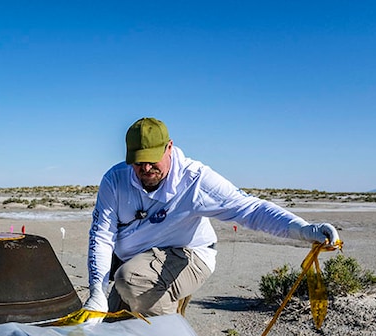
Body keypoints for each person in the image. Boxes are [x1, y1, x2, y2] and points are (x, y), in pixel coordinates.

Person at [85, 117, 340, 317]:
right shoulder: (115, 180)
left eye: (152, 160)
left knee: (130, 280)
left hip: (189, 254)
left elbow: (251, 209)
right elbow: (102, 235)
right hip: (138, 260)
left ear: (169, 148)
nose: (145, 169)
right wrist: (97, 290)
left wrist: (303, 229)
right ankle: (159, 304)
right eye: (138, 162)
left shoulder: (196, 180)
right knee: (113, 322)